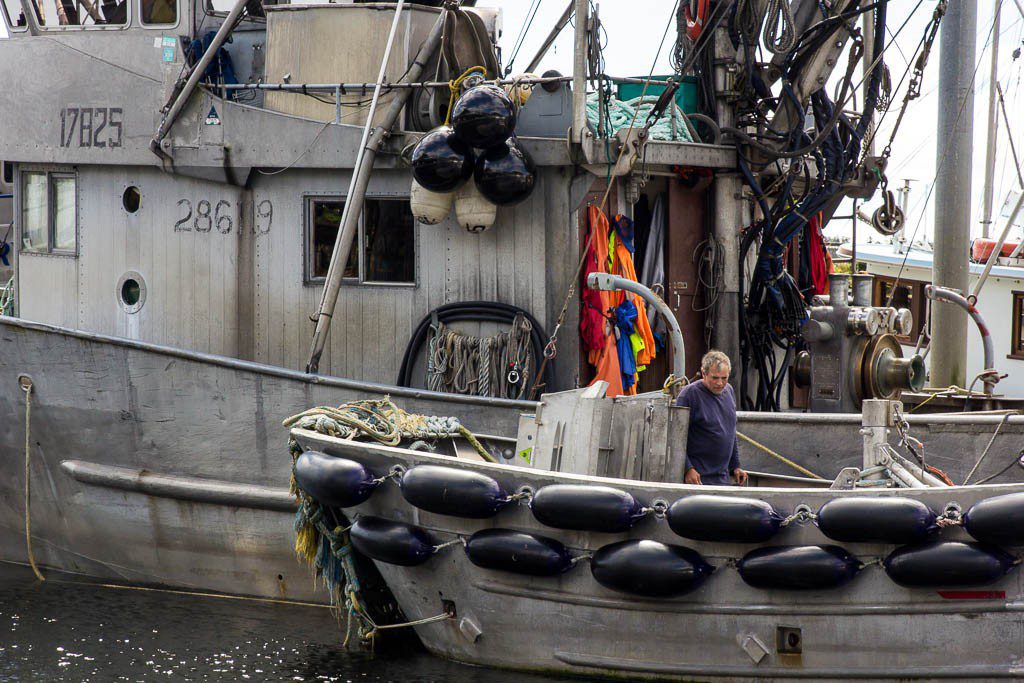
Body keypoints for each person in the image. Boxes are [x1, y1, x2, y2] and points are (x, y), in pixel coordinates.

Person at [674, 350, 748, 486]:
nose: (720, 383)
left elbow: (731, 432)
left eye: (724, 378)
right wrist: (687, 469)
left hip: (722, 477)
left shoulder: (729, 391)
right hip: (698, 479)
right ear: (704, 373)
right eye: (715, 378)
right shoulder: (689, 395)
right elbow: (675, 438)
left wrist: (736, 465)